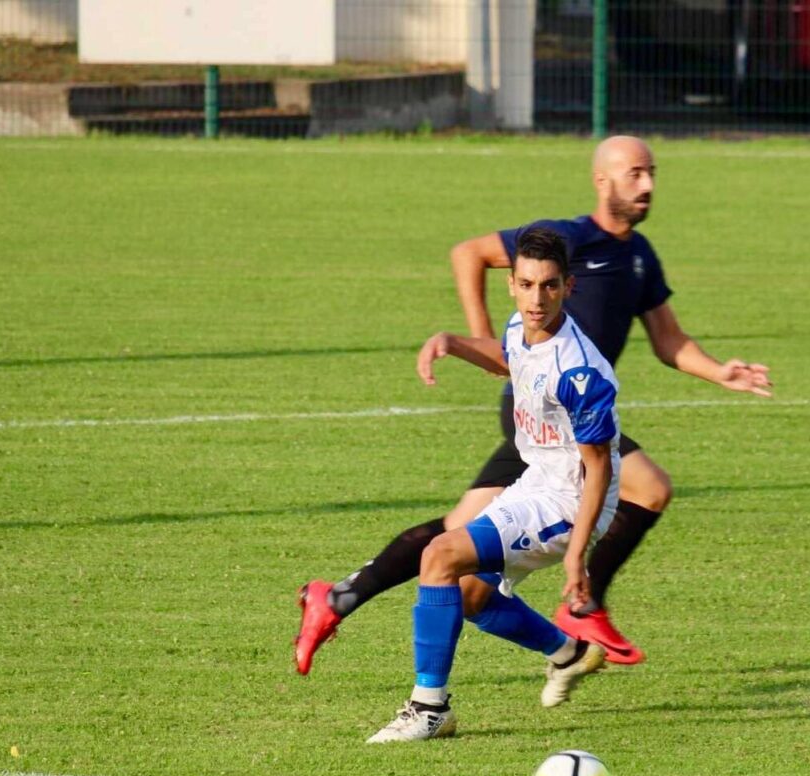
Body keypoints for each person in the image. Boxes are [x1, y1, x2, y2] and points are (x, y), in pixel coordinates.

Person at [295, 135, 771, 676]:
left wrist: (718, 371)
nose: (648, 185)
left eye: (652, 172)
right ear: (602, 181)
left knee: (460, 550)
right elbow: (469, 253)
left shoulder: (637, 255)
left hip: (568, 412)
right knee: (645, 486)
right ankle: (582, 607)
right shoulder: (567, 241)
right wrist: (484, 343)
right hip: (550, 421)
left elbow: (668, 340)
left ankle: (338, 598)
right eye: (635, 173)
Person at [368, 227, 617, 743]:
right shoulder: (522, 326)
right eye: (526, 284)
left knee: (439, 556)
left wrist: (576, 558)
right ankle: (567, 652)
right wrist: (453, 342)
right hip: (537, 481)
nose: (536, 299)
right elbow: (511, 359)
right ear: (511, 283)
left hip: (572, 499)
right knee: (471, 594)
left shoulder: (581, 372)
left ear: (568, 286)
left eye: (549, 286)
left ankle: (429, 708)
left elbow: (600, 469)